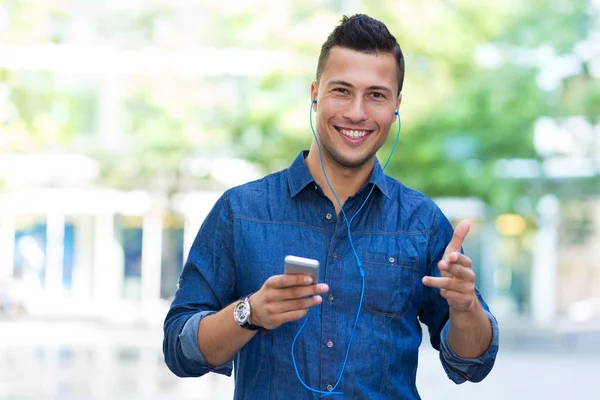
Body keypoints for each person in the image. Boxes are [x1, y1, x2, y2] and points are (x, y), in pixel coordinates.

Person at [163, 13, 499, 399]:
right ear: (315, 92)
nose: (357, 112)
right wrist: (250, 313)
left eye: (376, 95)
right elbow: (179, 349)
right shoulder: (240, 212)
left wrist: (465, 307)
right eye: (342, 90)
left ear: (396, 105)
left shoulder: (422, 223)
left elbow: (472, 364)